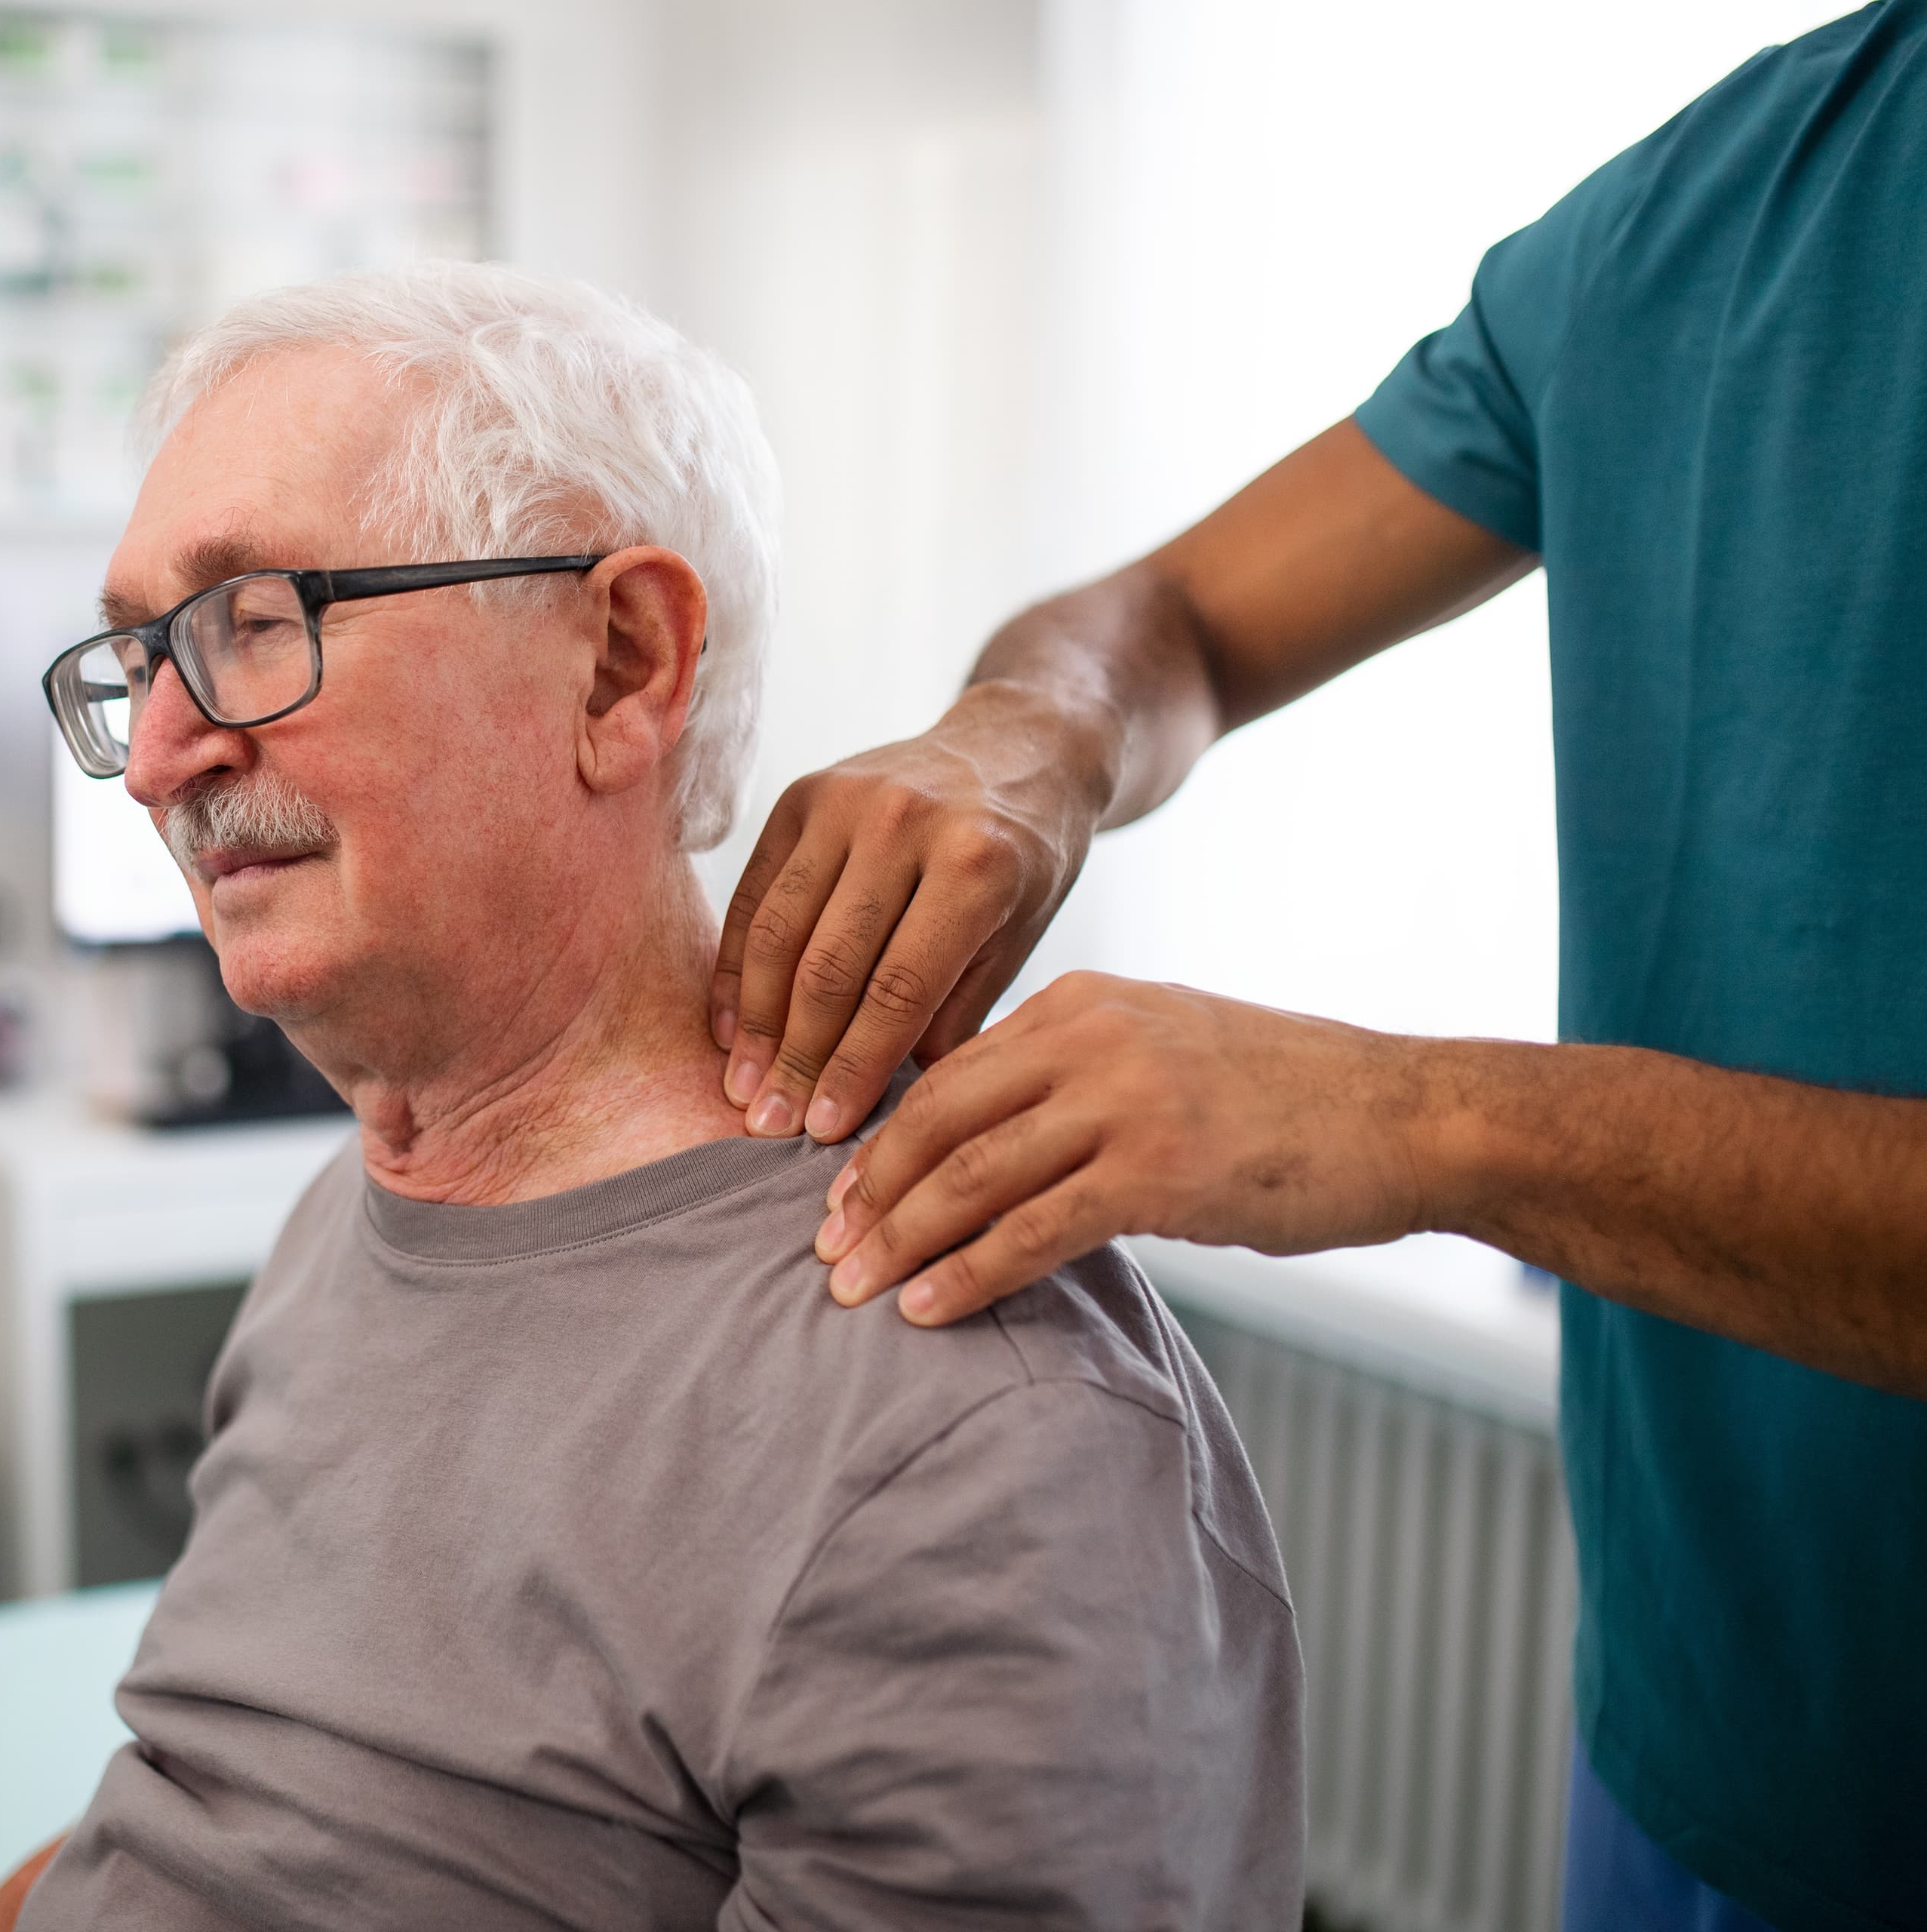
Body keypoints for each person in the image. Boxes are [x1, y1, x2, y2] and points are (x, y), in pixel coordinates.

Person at [709, 9, 1927, 1930]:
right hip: (1688, 1742)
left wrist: (1421, 1119)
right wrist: (1030, 736)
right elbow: (1177, 615)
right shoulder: (1698, 213)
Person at [0, 263, 1303, 1930]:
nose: (161, 757)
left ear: (619, 666)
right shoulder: (352, 1214)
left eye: (253, 622)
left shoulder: (971, 1437)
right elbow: (205, 1808)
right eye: (142, 655)